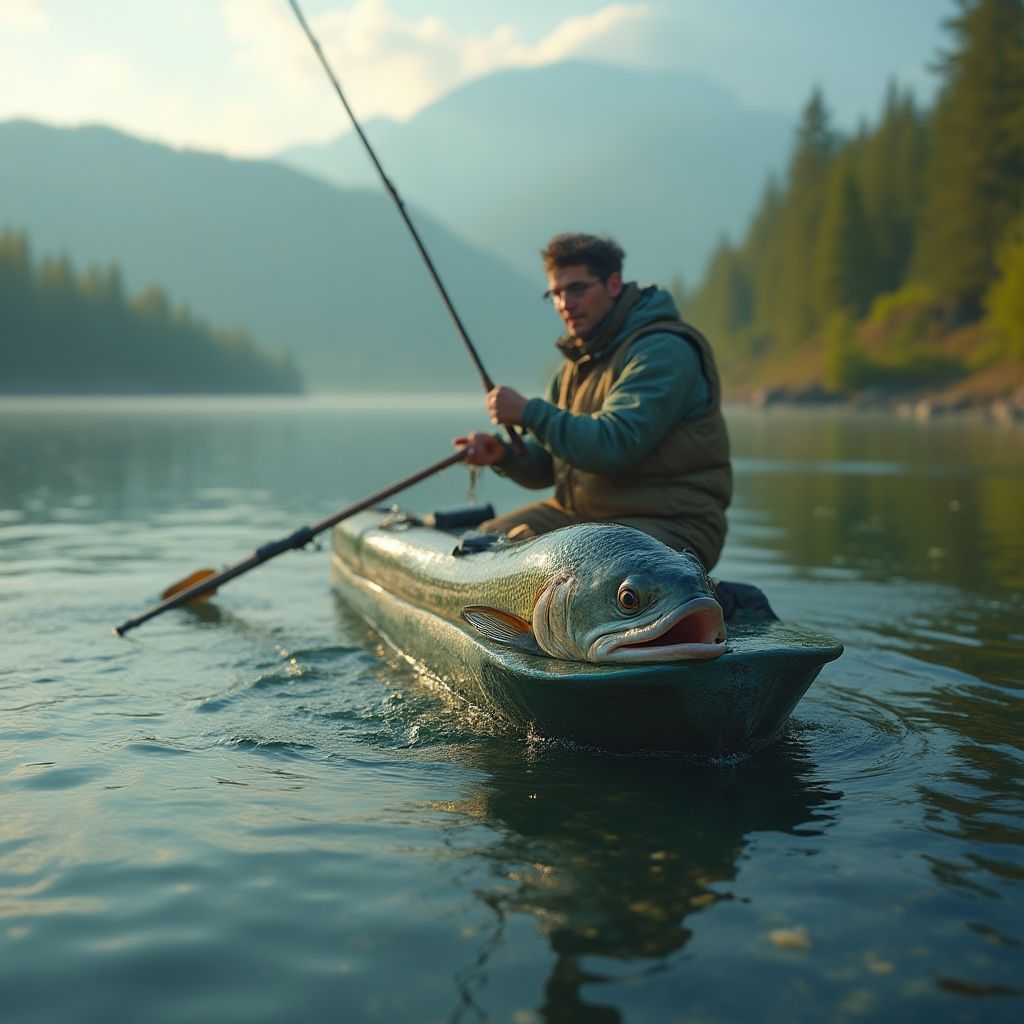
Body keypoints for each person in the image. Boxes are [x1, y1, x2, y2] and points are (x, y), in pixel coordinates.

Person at [456, 232, 732, 570]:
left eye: (577, 289)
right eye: (555, 293)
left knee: (585, 569)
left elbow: (613, 445)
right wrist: (506, 455)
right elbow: (553, 465)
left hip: (673, 524)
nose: (564, 303)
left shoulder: (663, 351)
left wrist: (529, 413)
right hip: (586, 518)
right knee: (483, 544)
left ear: (613, 284)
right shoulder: (575, 366)